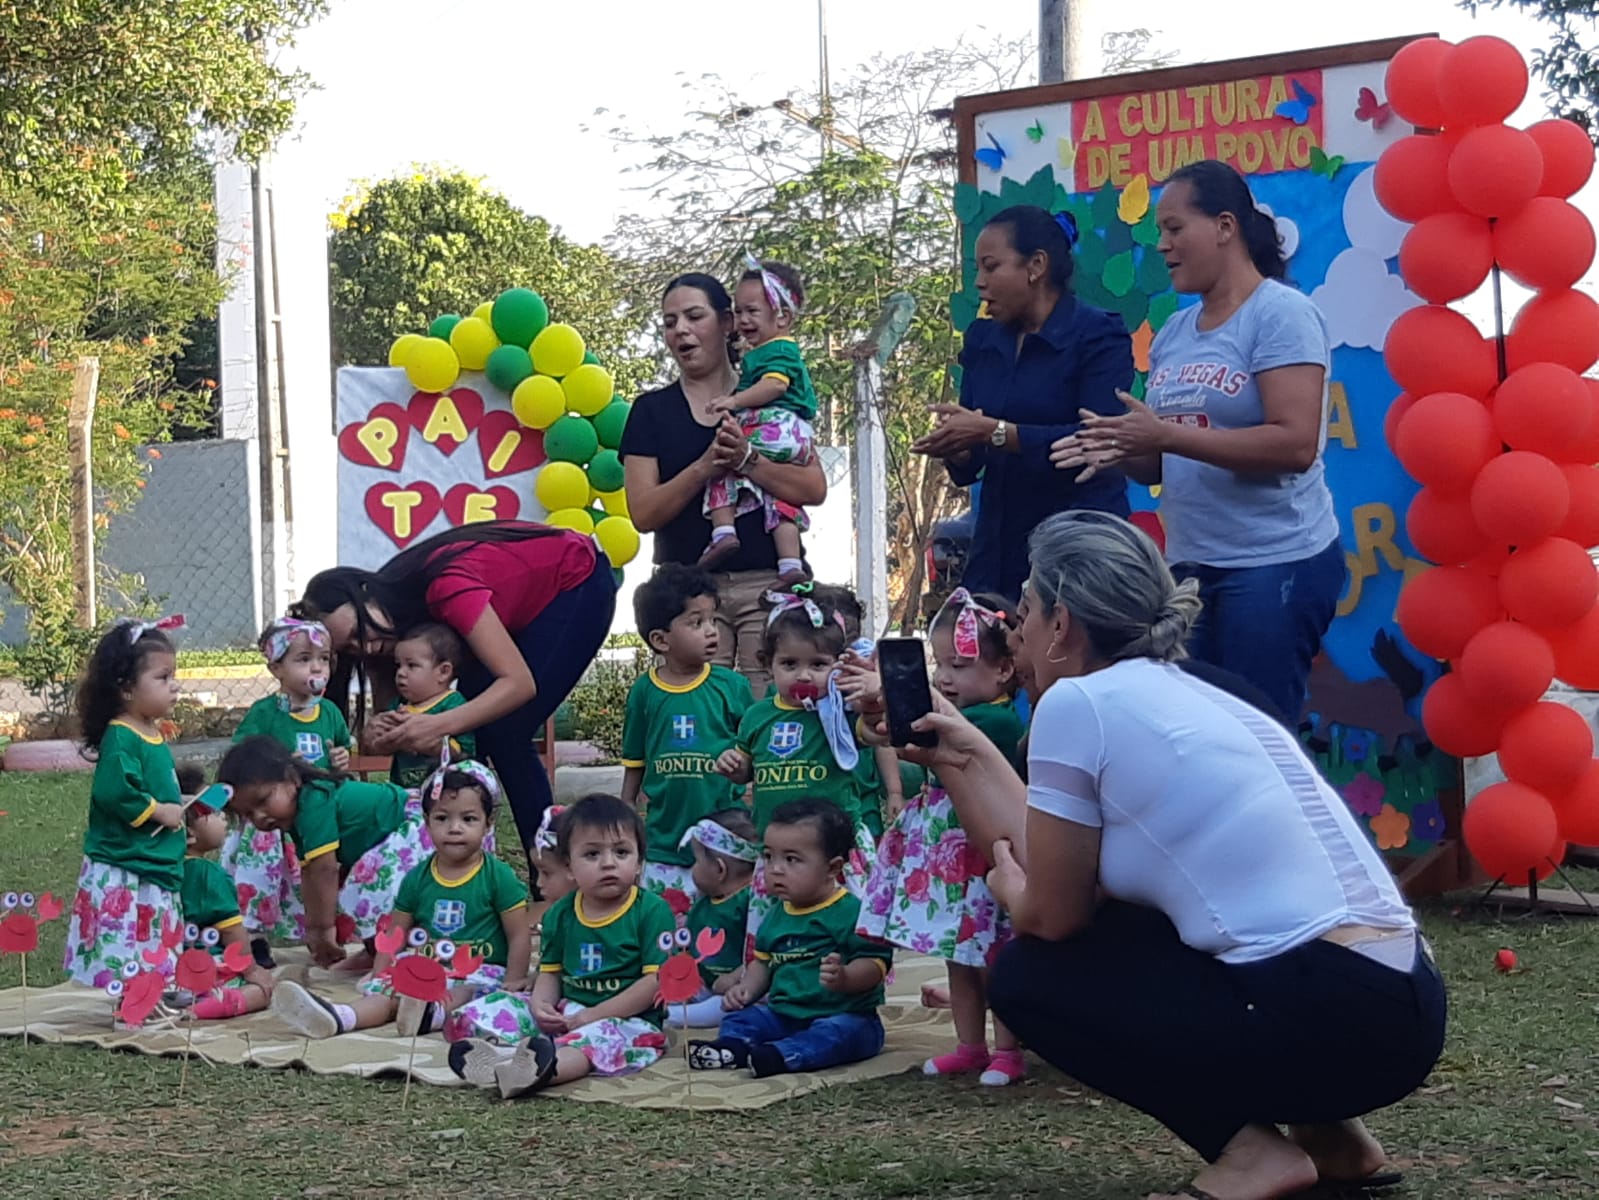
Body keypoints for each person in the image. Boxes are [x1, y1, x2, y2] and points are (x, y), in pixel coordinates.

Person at [903, 510, 1443, 1200]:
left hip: (1327, 1013)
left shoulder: (1077, 704)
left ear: (1063, 624)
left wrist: (1010, 890)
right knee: (1146, 927)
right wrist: (964, 751)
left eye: (1029, 610)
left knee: (1028, 978)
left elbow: (1051, 916)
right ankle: (1332, 1140)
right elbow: (1069, 863)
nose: (1017, 631)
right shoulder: (1202, 690)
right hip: (1404, 1009)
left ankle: (1251, 1155)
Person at [1052, 160, 1345, 722]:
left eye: (1174, 228)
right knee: (1201, 734)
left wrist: (1164, 434)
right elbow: (1158, 466)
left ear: (1226, 227)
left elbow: (1294, 445)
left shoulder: (1281, 314)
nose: (1162, 245)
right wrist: (1121, 448)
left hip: (1274, 563)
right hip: (1190, 566)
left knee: (1260, 733)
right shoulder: (1174, 333)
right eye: (1159, 232)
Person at [295, 519, 615, 859]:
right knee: (471, 731)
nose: (368, 648)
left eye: (362, 634)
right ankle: (460, 867)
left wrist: (438, 725)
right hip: (520, 605)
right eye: (353, 649)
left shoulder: (443, 587)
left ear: (364, 593)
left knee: (504, 731)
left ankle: (550, 870)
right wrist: (383, 732)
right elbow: (399, 715)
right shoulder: (384, 630)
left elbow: (518, 684)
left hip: (576, 579)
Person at [913, 205, 1133, 602]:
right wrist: (959, 449)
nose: (979, 283)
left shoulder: (1098, 335)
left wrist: (996, 433)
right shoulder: (983, 339)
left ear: (1036, 266)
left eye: (991, 267)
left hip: (1077, 551)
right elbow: (974, 458)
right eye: (977, 269)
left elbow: (1097, 442)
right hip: (997, 550)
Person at [622, 273, 829, 693]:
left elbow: (814, 488)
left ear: (728, 323)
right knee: (700, 715)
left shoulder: (773, 394)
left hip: (768, 583)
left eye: (694, 316)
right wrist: (704, 467)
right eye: (669, 322)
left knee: (767, 711)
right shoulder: (651, 411)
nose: (680, 329)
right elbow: (643, 513)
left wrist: (747, 460)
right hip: (690, 595)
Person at [858, 588, 1027, 1087]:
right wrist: (874, 717)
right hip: (955, 863)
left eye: (961, 665)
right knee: (959, 954)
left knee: (994, 956)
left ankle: (1009, 1050)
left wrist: (882, 696)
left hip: (986, 855)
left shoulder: (994, 720)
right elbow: (894, 737)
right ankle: (970, 1046)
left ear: (1002, 672)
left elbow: (922, 735)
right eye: (940, 665)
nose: (945, 677)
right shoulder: (955, 714)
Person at [270, 762, 531, 1041]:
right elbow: (395, 932)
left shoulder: (498, 876)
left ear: (488, 824)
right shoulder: (417, 877)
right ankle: (341, 1016)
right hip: (426, 967)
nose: (454, 829)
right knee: (390, 992)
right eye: (442, 818)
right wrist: (381, 973)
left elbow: (519, 934)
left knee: (466, 994)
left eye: (468, 819)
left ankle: (431, 1015)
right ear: (426, 821)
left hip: (479, 971)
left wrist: (512, 983)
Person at [447, 794, 675, 1099]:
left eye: (621, 852)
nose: (609, 863)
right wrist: (541, 1005)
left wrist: (591, 1016)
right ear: (569, 865)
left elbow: (653, 983)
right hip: (566, 1012)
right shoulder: (561, 913)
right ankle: (499, 1060)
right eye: (592, 855)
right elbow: (550, 973)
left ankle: (540, 1070)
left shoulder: (652, 911)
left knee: (590, 1043)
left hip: (627, 1020)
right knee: (496, 1007)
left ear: (639, 863)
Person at [715, 588, 875, 948]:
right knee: (776, 928)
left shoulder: (841, 712)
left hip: (834, 849)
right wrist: (735, 766)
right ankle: (773, 985)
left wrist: (871, 700)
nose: (803, 675)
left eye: (818, 664)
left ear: (838, 664)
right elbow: (746, 768)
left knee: (843, 928)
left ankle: (851, 981)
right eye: (789, 664)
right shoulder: (758, 717)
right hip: (777, 851)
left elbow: (877, 732)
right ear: (767, 664)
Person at [689, 799, 890, 1078]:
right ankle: (732, 1048)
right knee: (741, 1018)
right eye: (769, 857)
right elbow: (763, 962)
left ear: (832, 868)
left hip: (843, 1014)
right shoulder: (775, 912)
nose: (775, 869)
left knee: (841, 1034)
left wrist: (845, 977)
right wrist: (747, 989)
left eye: (792, 859)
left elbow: (876, 963)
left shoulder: (851, 911)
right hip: (784, 1015)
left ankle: (783, 1055)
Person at [217, 736, 423, 971]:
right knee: (357, 887)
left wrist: (322, 930)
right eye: (249, 814)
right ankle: (375, 950)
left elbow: (324, 870)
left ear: (292, 778)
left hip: (411, 829)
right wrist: (311, 928)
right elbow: (310, 873)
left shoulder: (314, 800)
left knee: (370, 885)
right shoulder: (297, 815)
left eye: (263, 800)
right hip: (386, 840)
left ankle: (387, 958)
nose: (260, 816)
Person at [63, 618, 188, 992]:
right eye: (163, 678)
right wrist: (157, 810)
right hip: (125, 863)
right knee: (127, 935)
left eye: (173, 677)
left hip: (152, 858)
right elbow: (115, 792)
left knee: (153, 929)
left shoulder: (149, 730)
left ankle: (155, 988)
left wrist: (177, 802)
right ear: (127, 688)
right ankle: (128, 996)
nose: (174, 686)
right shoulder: (122, 735)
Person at [221, 617, 351, 967]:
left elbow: (339, 753)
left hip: (312, 815)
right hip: (270, 817)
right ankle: (254, 938)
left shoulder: (331, 713)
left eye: (323, 659)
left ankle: (315, 931)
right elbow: (242, 759)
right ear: (276, 668)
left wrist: (341, 759)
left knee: (312, 872)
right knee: (259, 873)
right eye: (304, 658)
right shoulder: (265, 714)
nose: (317, 667)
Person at [619, 565, 751, 906]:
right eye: (696, 623)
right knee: (667, 930)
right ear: (661, 640)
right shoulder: (645, 692)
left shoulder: (731, 686)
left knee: (722, 926)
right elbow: (635, 759)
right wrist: (626, 810)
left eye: (712, 621)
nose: (711, 632)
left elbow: (754, 749)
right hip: (664, 842)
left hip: (725, 842)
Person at [698, 258, 818, 589]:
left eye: (752, 311)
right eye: (739, 312)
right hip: (795, 434)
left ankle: (723, 532)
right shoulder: (775, 348)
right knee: (780, 497)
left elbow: (775, 385)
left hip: (774, 425)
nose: (743, 320)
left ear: (783, 316)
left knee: (721, 463)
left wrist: (734, 400)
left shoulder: (776, 350)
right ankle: (790, 562)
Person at [181, 779, 277, 1019]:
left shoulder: (165, 871)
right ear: (190, 833)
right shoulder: (208, 874)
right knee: (263, 991)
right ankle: (202, 1009)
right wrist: (251, 969)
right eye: (213, 813)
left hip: (170, 969)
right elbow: (232, 931)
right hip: (207, 969)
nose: (224, 817)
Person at [665, 810, 758, 1029]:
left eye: (696, 862)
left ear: (719, 869)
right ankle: (663, 1008)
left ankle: (669, 1017)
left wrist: (737, 978)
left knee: (722, 1007)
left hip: (737, 990)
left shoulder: (751, 903)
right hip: (703, 980)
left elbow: (762, 952)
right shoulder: (706, 899)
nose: (693, 870)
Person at [378, 622, 476, 791]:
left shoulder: (453, 704)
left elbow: (466, 753)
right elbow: (381, 747)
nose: (401, 672)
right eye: (398, 665)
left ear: (443, 672)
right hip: (403, 791)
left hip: (444, 795)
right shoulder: (398, 705)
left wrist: (437, 746)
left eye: (411, 665)